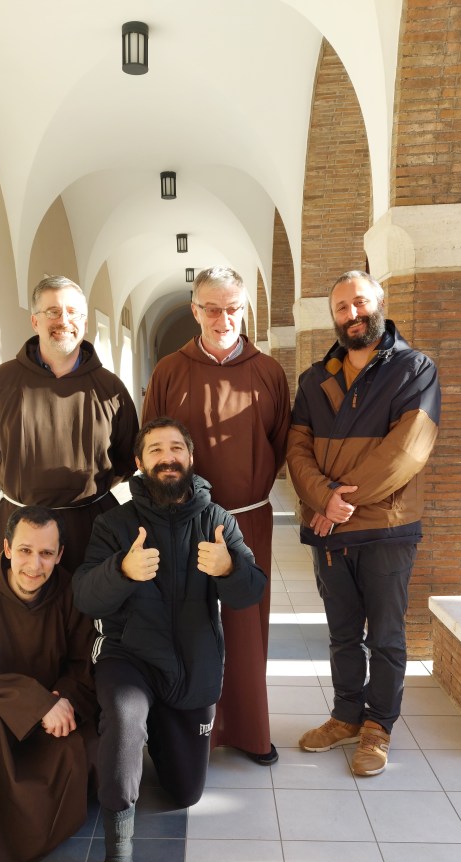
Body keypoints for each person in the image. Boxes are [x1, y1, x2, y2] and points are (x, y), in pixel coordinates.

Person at [72, 417, 267, 862]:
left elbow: (251, 593)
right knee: (123, 715)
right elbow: (83, 595)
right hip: (128, 658)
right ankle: (116, 856)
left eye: (176, 447)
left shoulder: (218, 520)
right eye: (155, 449)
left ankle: (151, 740)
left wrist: (229, 569)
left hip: (192, 671)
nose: (167, 456)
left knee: (184, 792)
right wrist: (121, 571)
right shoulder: (115, 524)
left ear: (190, 458)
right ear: (139, 463)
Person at [287, 270, 440, 776]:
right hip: (331, 529)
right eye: (341, 308)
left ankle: (378, 728)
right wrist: (321, 497)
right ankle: (346, 716)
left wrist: (337, 504)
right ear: (333, 318)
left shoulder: (414, 369)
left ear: (379, 303)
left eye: (359, 303)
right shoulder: (314, 379)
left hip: (386, 530)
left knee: (388, 637)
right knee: (342, 633)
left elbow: (406, 451)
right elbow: (297, 449)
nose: (352, 314)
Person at [142, 266, 290, 766]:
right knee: (188, 623)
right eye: (211, 307)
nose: (222, 317)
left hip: (247, 518)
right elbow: (150, 443)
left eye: (231, 307)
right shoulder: (169, 370)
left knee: (247, 625)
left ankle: (249, 731)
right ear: (194, 310)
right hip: (182, 519)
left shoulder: (267, 371)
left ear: (243, 308)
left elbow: (279, 442)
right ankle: (190, 732)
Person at [0, 505, 98, 862]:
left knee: (77, 746)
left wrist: (58, 700)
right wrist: (36, 703)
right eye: (25, 551)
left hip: (55, 711)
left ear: (59, 555)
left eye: (46, 554)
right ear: (7, 548)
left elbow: (82, 664)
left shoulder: (72, 593)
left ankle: (22, 834)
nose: (34, 565)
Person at [0, 275, 139, 572]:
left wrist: (87, 495)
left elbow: (126, 460)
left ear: (84, 323)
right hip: (23, 527)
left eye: (72, 312)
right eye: (53, 312)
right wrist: (26, 493)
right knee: (24, 617)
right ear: (35, 321)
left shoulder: (110, 388)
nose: (63, 320)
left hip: (92, 527)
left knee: (90, 614)